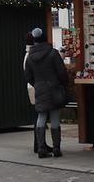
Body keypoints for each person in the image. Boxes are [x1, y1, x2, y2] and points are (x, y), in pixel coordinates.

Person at [24, 27, 68, 158]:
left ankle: (41, 148)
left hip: (40, 88)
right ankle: (56, 148)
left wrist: (37, 84)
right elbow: (61, 72)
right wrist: (63, 84)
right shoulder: (53, 53)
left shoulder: (30, 57)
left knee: (41, 116)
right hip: (54, 88)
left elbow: (28, 76)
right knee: (54, 117)